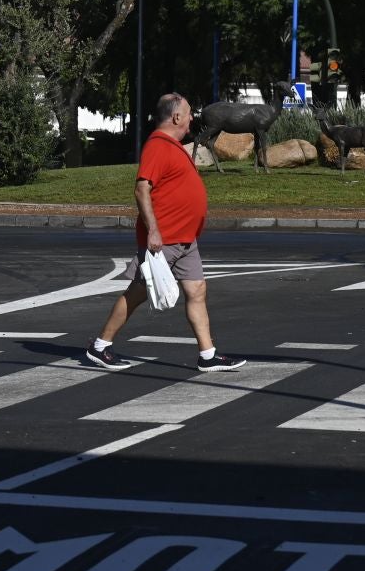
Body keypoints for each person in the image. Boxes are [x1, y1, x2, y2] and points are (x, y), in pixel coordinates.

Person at [84, 92, 246, 373]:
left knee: (196, 290)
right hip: (165, 239)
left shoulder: (172, 146)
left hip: (185, 239)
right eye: (189, 113)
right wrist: (154, 231)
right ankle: (100, 346)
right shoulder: (158, 146)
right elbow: (141, 188)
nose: (192, 118)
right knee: (138, 292)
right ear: (176, 117)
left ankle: (207, 354)